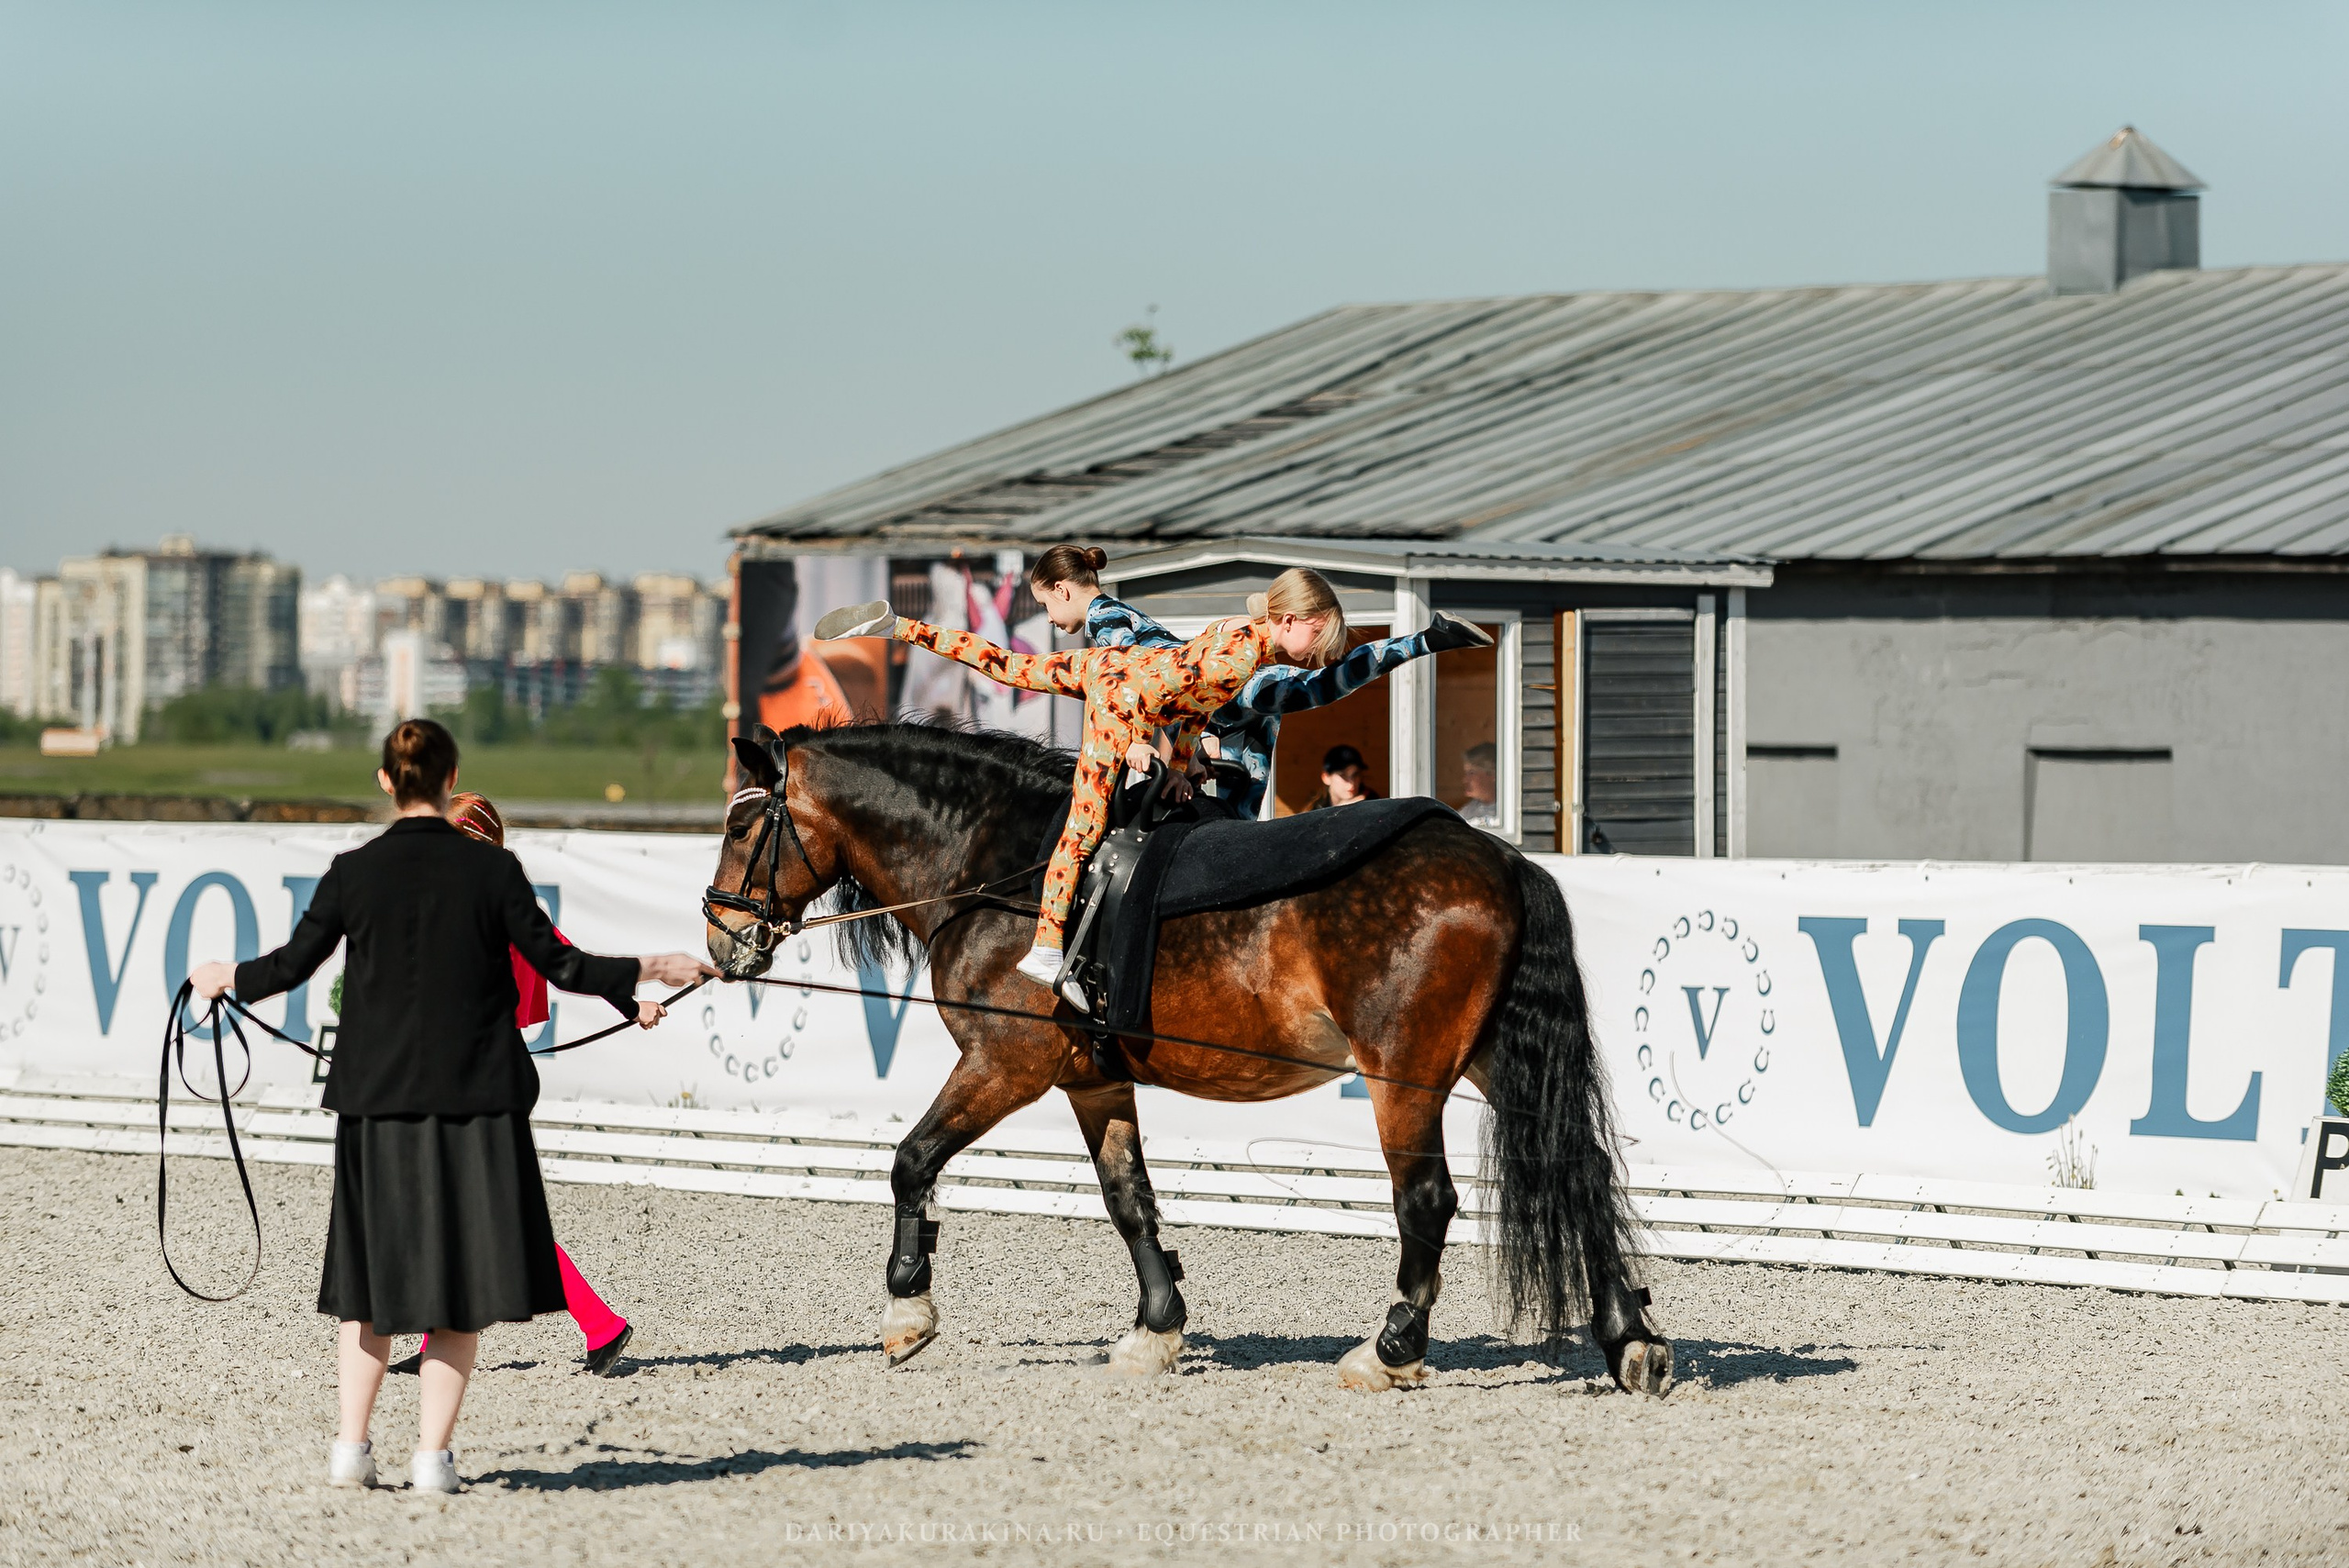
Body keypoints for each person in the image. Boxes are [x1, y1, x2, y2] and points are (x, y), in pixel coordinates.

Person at [188, 719, 718, 1495]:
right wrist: (652, 966)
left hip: (375, 1103)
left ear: (383, 780)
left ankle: (350, 1449)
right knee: (459, 1289)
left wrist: (223, 974)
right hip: (475, 1100)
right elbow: (563, 963)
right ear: (451, 774)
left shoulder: (350, 870)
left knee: (367, 1289)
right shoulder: (492, 872)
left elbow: (291, 965)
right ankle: (433, 1459)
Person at [814, 561, 1346, 1007]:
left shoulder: (1243, 645)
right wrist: (1136, 738)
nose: (1318, 650)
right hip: (1118, 696)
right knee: (1082, 826)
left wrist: (1181, 768)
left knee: (1008, 665)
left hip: (1115, 675)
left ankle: (898, 626)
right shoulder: (1240, 653)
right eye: (1319, 635)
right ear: (1293, 619)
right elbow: (1163, 693)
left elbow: (1191, 706)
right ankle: (1046, 951)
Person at [383, 792, 636, 1381]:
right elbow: (572, 962)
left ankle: (601, 1323)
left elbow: (569, 963)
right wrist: (632, 1005)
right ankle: (437, 1339)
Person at [1024, 544, 1492, 819]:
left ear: (1062, 590)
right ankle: (1426, 640)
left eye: (1045, 606)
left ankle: (1426, 640)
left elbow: (1126, 687)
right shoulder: (1114, 614)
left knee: (1315, 688)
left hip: (1226, 697)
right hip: (1232, 713)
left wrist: (1139, 744)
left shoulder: (1105, 616)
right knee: (1239, 822)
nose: (1049, 619)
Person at [1304, 744, 1382, 811]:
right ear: (1326, 777)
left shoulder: (1372, 802)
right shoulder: (1316, 809)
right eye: (1343, 776)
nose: (1351, 783)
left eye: (1355, 775)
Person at [1459, 741, 1501, 828]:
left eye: (1471, 773)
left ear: (1493, 774)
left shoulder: (1507, 813)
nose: (1465, 780)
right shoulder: (1467, 812)